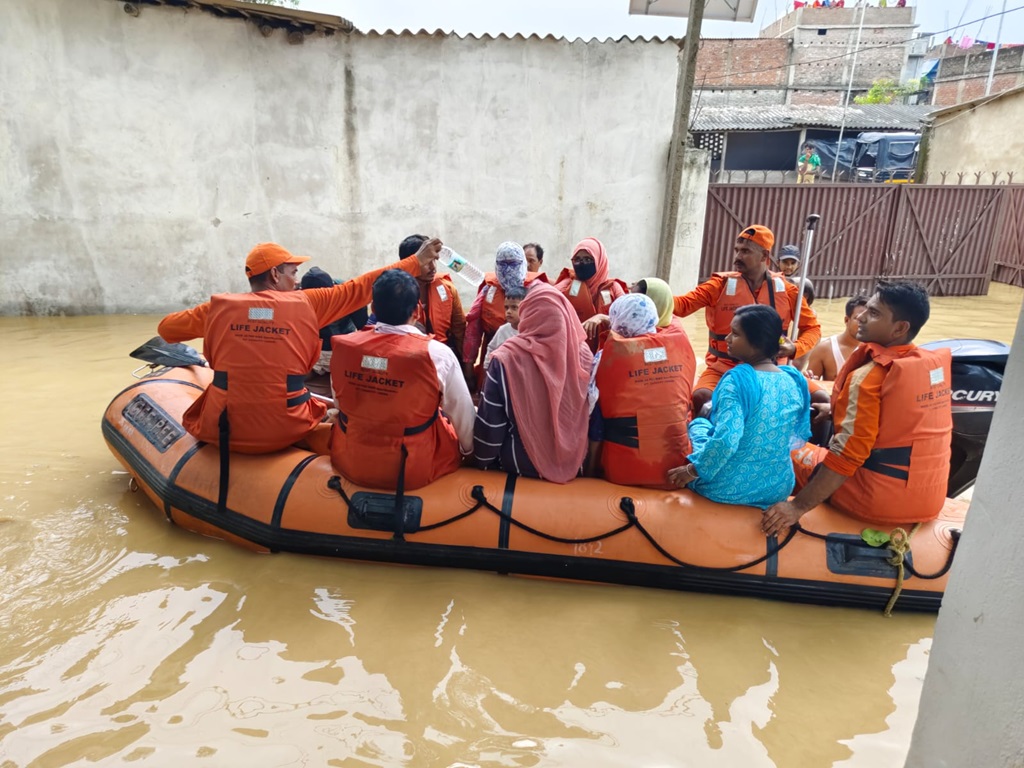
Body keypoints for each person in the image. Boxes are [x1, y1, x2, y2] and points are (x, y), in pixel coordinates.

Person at [157, 239, 440, 454]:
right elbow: (363, 286)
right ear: (274, 275)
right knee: (334, 421)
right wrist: (414, 262)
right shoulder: (308, 303)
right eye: (293, 273)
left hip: (221, 427)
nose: (296, 282)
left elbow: (167, 329)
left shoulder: (217, 309)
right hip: (285, 428)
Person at [762, 282, 953, 536]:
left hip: (873, 499)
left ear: (900, 328)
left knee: (780, 443)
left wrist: (797, 508)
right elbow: (899, 422)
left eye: (873, 313)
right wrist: (833, 409)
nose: (860, 317)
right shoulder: (925, 367)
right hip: (927, 498)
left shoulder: (868, 377)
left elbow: (846, 455)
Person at [329, 269, 475, 491]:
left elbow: (340, 402)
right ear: (417, 310)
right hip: (415, 467)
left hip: (350, 458)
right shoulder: (437, 354)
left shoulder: (343, 347)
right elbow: (462, 413)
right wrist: (470, 453)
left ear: (373, 309)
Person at [668, 306, 811, 508]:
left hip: (728, 488)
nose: (727, 338)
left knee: (699, 424)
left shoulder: (737, 381)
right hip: (778, 486)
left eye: (735, 334)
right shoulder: (794, 379)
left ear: (756, 343)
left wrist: (692, 471)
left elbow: (726, 441)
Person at [672, 224, 821, 416]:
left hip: (774, 368)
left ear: (764, 256)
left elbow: (813, 329)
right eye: (737, 250)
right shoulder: (719, 285)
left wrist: (795, 348)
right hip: (725, 366)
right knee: (701, 397)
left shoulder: (788, 290)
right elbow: (682, 305)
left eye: (745, 251)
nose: (737, 257)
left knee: (821, 399)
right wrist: (652, 293)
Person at [473, 283, 592, 483]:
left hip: (519, 466)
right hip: (575, 466)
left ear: (528, 314)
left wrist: (480, 461)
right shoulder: (584, 356)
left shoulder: (505, 359)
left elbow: (491, 424)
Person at [586, 294, 696, 488]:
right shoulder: (678, 347)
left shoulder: (605, 357)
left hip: (622, 471)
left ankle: (590, 472)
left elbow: (591, 411)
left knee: (595, 411)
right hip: (675, 470)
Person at [463, 241, 547, 390]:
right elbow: (472, 331)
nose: (508, 270)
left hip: (529, 362)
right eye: (503, 264)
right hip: (494, 360)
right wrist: (469, 371)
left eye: (513, 264)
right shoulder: (488, 290)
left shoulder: (539, 290)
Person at [400, 234, 467, 363]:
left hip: (443, 360)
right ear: (409, 263)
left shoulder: (448, 288)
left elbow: (460, 329)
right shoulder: (395, 295)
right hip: (410, 363)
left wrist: (466, 368)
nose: (433, 268)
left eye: (434, 261)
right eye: (426, 262)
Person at [555, 237, 628, 352]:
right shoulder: (565, 287)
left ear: (600, 261)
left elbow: (629, 321)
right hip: (574, 353)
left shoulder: (613, 288)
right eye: (577, 259)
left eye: (588, 259)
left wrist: (602, 318)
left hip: (606, 356)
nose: (582, 263)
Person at [300, 266, 370, 376]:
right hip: (312, 350)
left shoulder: (350, 294)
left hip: (342, 346)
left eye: (324, 300)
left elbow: (364, 328)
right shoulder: (296, 297)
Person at [804, 294, 870, 381]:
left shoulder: (874, 350)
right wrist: (807, 379)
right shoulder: (824, 349)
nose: (864, 324)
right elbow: (811, 387)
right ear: (847, 320)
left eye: (868, 319)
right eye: (858, 319)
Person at [482, 285, 526, 372]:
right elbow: (492, 348)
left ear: (526, 308)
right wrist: (487, 368)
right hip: (505, 372)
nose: (508, 311)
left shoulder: (531, 330)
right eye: (506, 308)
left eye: (514, 307)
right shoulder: (503, 330)